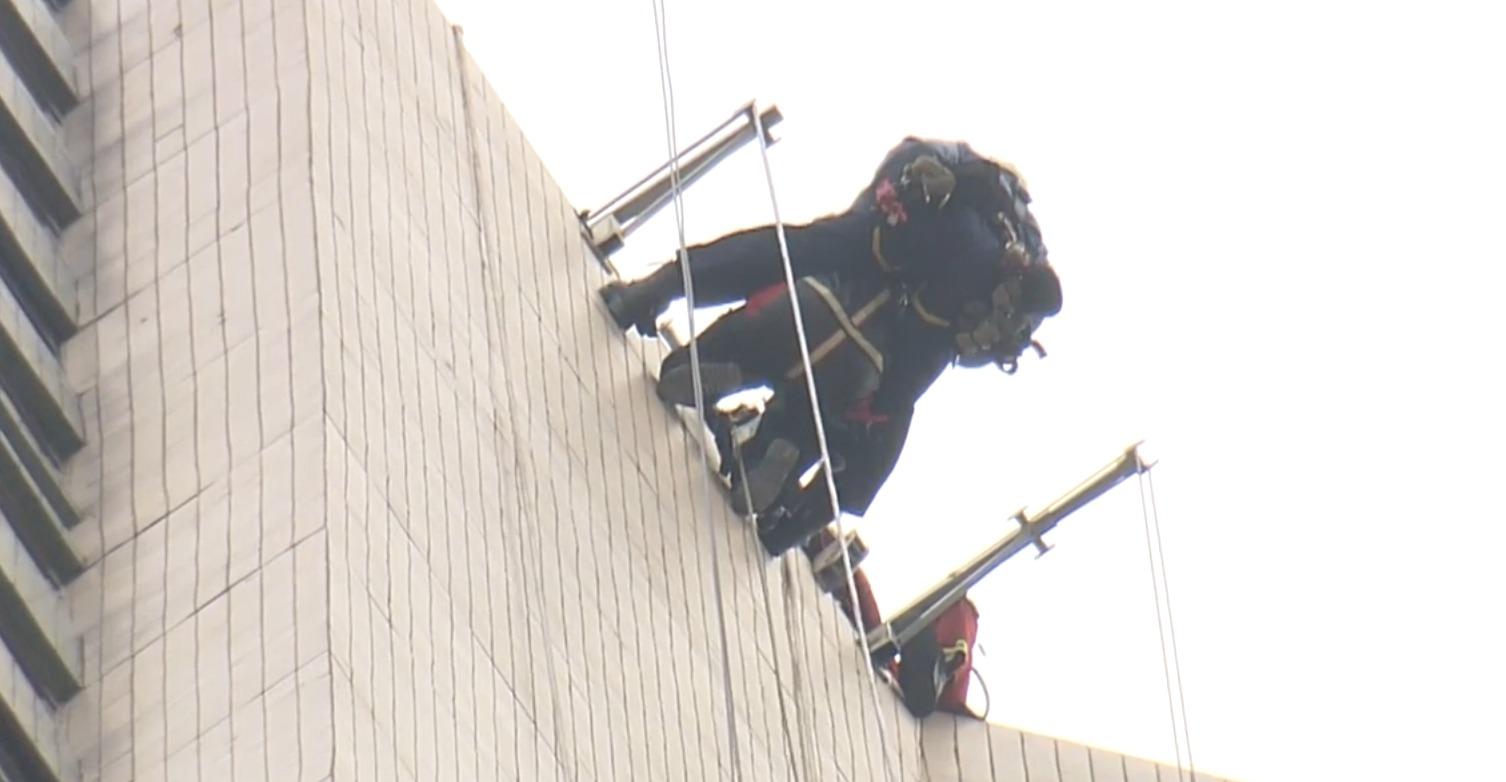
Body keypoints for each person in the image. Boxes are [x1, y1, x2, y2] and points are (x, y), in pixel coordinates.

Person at [598, 137, 1042, 338]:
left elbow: (908, 156)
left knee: (783, 252)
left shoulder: (974, 166)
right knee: (878, 385)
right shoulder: (1031, 250)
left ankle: (657, 288)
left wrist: (871, 210)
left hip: (880, 238)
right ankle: (779, 448)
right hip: (915, 318)